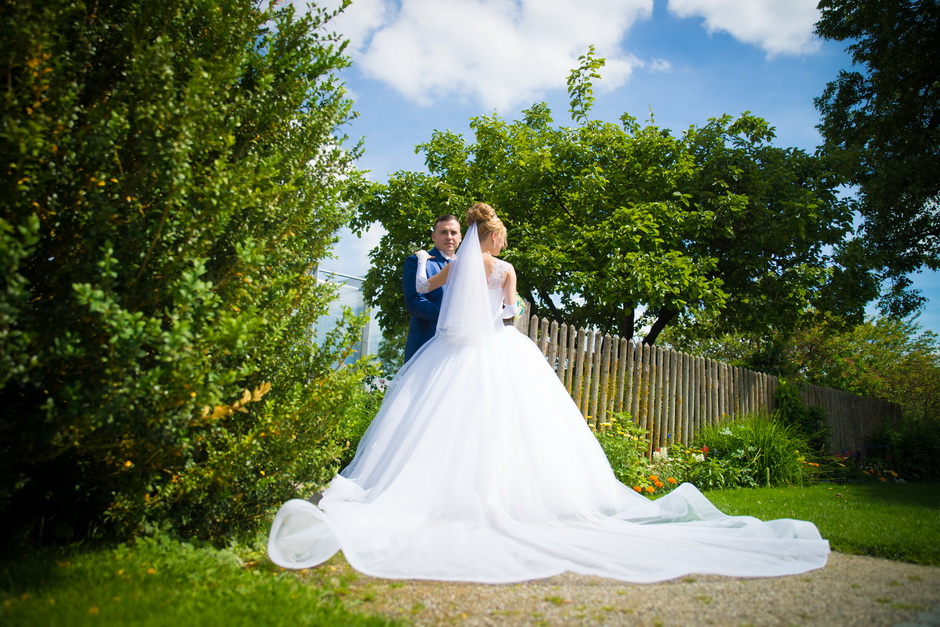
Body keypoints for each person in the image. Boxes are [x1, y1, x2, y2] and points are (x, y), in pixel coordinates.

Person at [268, 203, 829, 583]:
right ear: (494, 237)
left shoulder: (451, 265)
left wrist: (453, 282)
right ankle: (514, 500)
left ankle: (436, 495)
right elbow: (510, 313)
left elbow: (424, 290)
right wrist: (495, 302)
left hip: (449, 355)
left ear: (464, 236)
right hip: (498, 349)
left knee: (437, 425)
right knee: (512, 427)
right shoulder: (504, 266)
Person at [402, 214, 462, 362]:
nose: (449, 237)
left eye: (453, 232)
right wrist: (451, 317)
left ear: (460, 237)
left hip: (460, 348)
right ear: (434, 236)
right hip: (426, 344)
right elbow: (414, 302)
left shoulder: (469, 267)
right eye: (443, 232)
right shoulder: (416, 261)